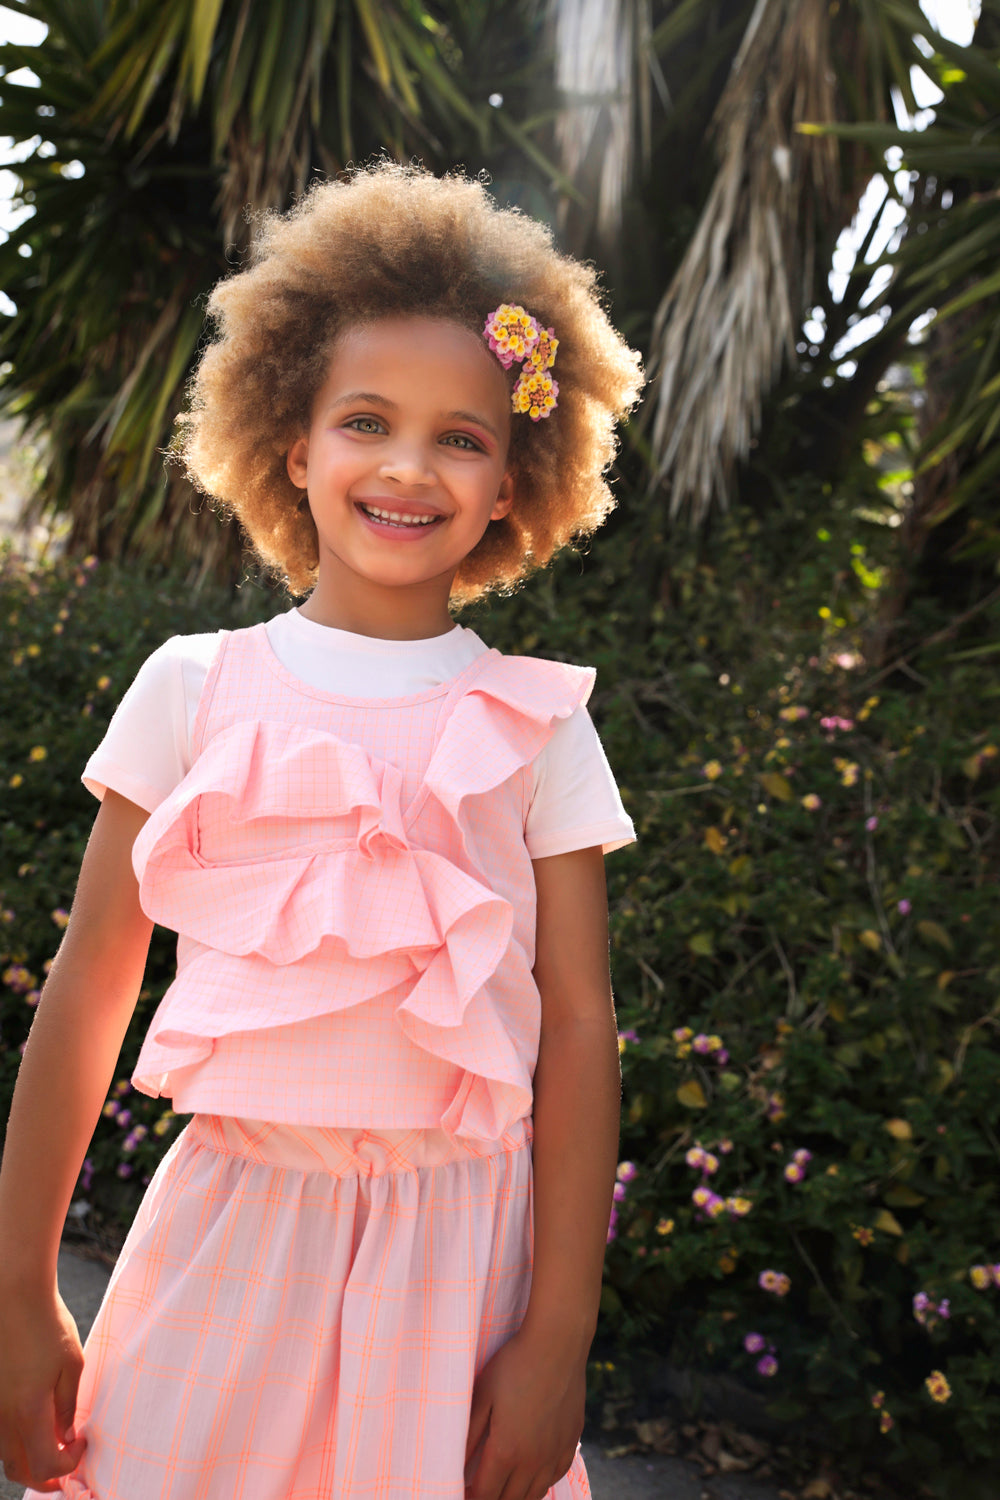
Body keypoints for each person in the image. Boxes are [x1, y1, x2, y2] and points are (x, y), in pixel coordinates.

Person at [0, 161, 643, 1500]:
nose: (409, 467)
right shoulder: (192, 687)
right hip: (226, 1247)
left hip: (458, 1279)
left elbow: (579, 1026)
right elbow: (91, 985)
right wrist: (16, 1291)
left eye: (462, 437)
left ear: (516, 483)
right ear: (295, 446)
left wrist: (559, 1338)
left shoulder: (537, 727)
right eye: (367, 421)